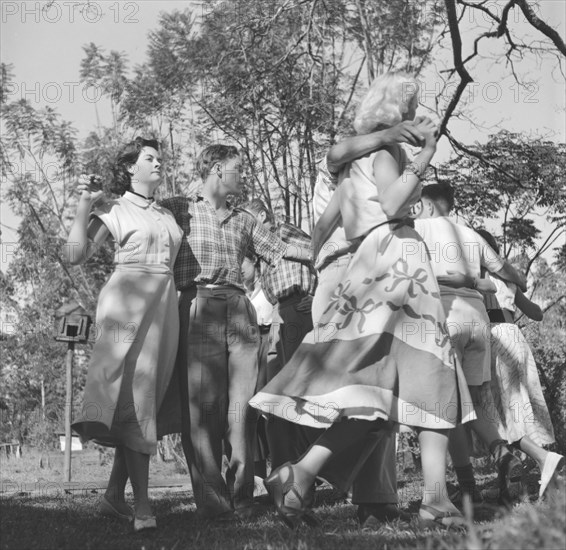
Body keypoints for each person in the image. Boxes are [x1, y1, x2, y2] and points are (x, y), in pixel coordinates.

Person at [251, 71, 475, 528]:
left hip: (371, 264)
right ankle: (435, 500)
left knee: (377, 396)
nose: (416, 117)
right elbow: (394, 204)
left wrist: (320, 261)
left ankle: (300, 473)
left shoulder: (354, 160)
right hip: (398, 262)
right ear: (398, 112)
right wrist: (426, 154)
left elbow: (324, 226)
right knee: (430, 372)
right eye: (411, 109)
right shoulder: (387, 151)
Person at [160, 145, 312, 521]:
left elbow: (280, 249)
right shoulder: (178, 208)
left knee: (242, 409)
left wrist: (329, 249)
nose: (243, 176)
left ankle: (242, 497)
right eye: (237, 169)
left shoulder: (245, 218)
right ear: (216, 169)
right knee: (203, 409)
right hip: (198, 305)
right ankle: (213, 503)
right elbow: (143, 223)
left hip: (240, 310)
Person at [65, 137, 183, 532]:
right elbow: (75, 255)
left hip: (164, 306)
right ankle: (143, 507)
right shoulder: (114, 208)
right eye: (150, 158)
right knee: (135, 395)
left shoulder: (168, 213)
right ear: (131, 167)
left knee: (146, 396)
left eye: (161, 158)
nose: (159, 163)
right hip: (125, 304)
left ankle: (114, 496)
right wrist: (85, 203)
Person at [413, 184, 529, 506]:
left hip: (445, 317)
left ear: (429, 206)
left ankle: (472, 480)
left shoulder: (419, 228)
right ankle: (495, 460)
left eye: (419, 206)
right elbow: (505, 271)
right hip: (478, 321)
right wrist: (519, 280)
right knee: (471, 405)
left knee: (447, 409)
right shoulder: (470, 235)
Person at [476, 229, 564, 499]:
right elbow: (536, 313)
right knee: (513, 410)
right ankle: (506, 486)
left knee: (497, 414)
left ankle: (543, 460)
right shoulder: (508, 278)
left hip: (493, 338)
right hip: (515, 337)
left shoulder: (480, 277)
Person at [243, 199, 320, 471]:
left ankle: (315, 466)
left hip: (298, 306)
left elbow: (316, 252)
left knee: (304, 390)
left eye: (251, 221)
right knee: (276, 394)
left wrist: (318, 296)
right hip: (279, 313)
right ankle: (284, 468)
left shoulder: (283, 232)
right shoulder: (260, 248)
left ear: (263, 216)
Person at [241, 252, 273, 480]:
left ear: (254, 262)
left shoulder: (269, 286)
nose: (239, 267)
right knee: (249, 410)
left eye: (243, 262)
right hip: (245, 349)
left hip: (270, 343)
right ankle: (258, 478)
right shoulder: (236, 292)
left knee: (272, 410)